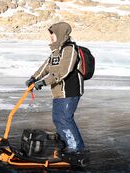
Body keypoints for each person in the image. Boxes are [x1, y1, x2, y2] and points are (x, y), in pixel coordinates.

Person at [25, 21, 85, 155]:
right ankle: (67, 144)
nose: (51, 37)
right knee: (58, 119)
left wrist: (43, 82)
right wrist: (34, 78)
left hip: (69, 91)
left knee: (65, 118)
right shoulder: (55, 52)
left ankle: (76, 149)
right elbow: (46, 67)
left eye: (53, 34)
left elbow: (63, 71)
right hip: (58, 92)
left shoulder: (69, 49)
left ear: (60, 33)